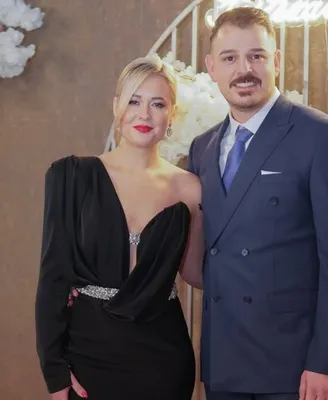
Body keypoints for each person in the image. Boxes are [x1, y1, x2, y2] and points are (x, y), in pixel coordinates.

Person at [188, 7, 328, 400]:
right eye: (230, 58)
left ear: (277, 61)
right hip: (224, 362)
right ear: (212, 67)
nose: (244, 70)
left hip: (296, 366)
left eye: (257, 56)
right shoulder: (202, 148)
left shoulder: (322, 137)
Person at [35, 56, 204, 400]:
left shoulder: (190, 188)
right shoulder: (71, 176)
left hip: (163, 358)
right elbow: (53, 278)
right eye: (134, 101)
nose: (144, 114)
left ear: (172, 114)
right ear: (117, 106)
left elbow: (198, 274)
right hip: (88, 353)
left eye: (158, 104)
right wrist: (55, 372)